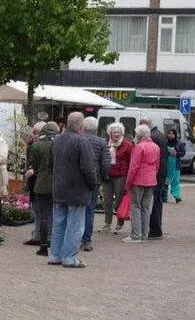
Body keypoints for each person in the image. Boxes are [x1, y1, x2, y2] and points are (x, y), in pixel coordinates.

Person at [48, 112, 97, 269]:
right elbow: (88, 168)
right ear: (81, 126)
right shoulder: (82, 141)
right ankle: (69, 257)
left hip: (59, 188)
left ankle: (55, 255)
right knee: (75, 225)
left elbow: (51, 164)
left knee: (59, 224)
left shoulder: (56, 140)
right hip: (77, 190)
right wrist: (93, 184)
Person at [123, 125, 160, 244]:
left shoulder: (139, 147)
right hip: (151, 180)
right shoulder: (155, 147)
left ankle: (135, 235)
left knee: (135, 206)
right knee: (145, 207)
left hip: (139, 180)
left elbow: (133, 167)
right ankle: (144, 234)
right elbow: (157, 165)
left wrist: (128, 183)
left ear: (139, 135)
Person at [28, 122, 59, 256]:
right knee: (54, 214)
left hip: (40, 183)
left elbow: (33, 165)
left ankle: (43, 245)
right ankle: (53, 241)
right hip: (56, 184)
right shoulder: (58, 144)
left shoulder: (36, 146)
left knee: (42, 215)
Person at [81, 116, 111, 252]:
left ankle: (74, 238)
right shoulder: (102, 142)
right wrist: (103, 177)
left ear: (84, 127)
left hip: (77, 180)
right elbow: (106, 163)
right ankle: (86, 240)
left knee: (76, 209)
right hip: (94, 180)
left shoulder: (78, 140)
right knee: (89, 210)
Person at [102, 123, 133, 234]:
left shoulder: (127, 145)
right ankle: (107, 223)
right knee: (107, 200)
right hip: (107, 175)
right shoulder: (105, 143)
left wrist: (129, 177)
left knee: (119, 201)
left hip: (121, 176)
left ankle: (119, 225)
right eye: (114, 132)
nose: (116, 134)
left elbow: (131, 161)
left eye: (118, 132)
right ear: (110, 133)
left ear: (122, 133)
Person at [143, 117, 168, 240]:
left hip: (155, 174)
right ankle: (156, 229)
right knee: (157, 201)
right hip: (161, 173)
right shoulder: (159, 134)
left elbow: (153, 159)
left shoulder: (153, 137)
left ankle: (155, 230)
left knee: (153, 203)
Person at [24, 121, 46, 245]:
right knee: (37, 210)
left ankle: (39, 236)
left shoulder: (41, 146)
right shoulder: (32, 146)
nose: (35, 135)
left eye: (37, 133)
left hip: (40, 182)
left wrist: (33, 169)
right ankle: (37, 234)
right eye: (34, 132)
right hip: (34, 182)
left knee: (40, 211)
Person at [163, 129, 185, 203]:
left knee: (175, 180)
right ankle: (164, 196)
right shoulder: (165, 143)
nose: (170, 135)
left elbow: (183, 153)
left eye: (172, 134)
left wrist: (177, 154)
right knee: (166, 181)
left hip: (176, 165)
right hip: (167, 164)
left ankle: (177, 196)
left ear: (175, 135)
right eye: (169, 133)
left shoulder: (179, 143)